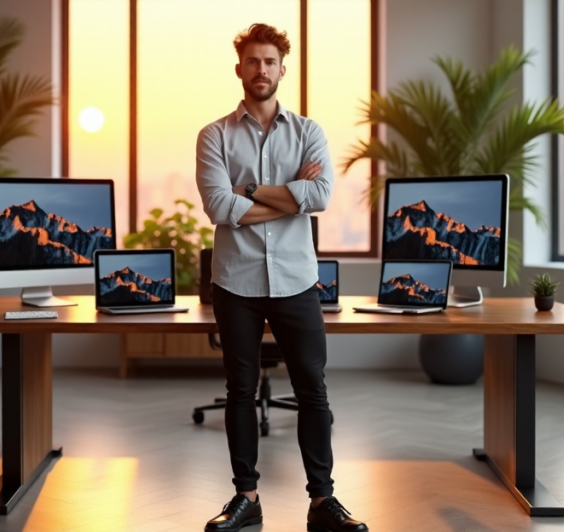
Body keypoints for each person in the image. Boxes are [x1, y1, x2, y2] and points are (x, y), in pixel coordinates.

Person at [195, 22, 369, 532]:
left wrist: (248, 190)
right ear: (240, 69)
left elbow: (319, 199)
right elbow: (218, 206)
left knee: (313, 389)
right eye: (253, 61)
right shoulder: (215, 135)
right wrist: (285, 198)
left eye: (270, 61)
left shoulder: (308, 132)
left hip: (296, 280)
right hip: (236, 282)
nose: (261, 70)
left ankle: (323, 503)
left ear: (282, 69)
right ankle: (245, 500)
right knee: (239, 390)